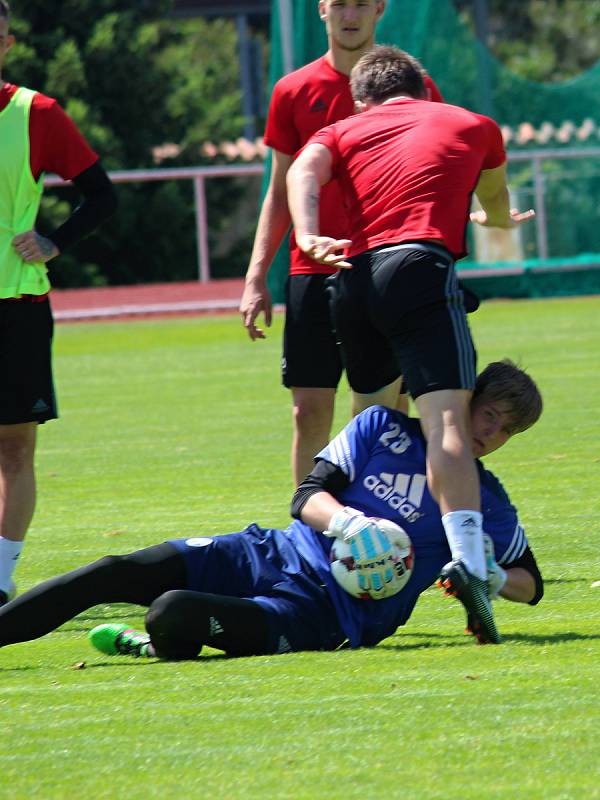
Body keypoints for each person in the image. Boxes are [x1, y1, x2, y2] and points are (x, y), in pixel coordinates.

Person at [0, 361, 543, 657]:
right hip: (269, 552)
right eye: (488, 414)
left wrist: (486, 574)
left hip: (323, 615)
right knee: (112, 573)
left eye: (506, 430)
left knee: (171, 611)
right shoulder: (381, 427)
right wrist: (352, 525)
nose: (490, 434)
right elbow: (307, 495)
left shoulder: (484, 502)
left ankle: (154, 645)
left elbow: (531, 584)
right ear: (463, 400)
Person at [286, 45, 536, 644]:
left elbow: (302, 171)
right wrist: (496, 222)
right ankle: (472, 564)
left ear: (361, 98)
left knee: (374, 425)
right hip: (420, 266)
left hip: (351, 279)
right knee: (446, 421)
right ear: (423, 89)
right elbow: (496, 200)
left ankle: (345, 550)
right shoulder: (474, 124)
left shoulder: (343, 127)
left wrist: (307, 232)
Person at [239, 0, 445, 486]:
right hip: (311, 270)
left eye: (360, 4)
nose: (349, 15)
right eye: (339, 5)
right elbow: (279, 189)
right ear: (322, 10)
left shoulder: (416, 87)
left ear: (379, 9)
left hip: (386, 266)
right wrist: (255, 276)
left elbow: (436, 168)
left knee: (384, 410)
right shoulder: (293, 90)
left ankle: (371, 525)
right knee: (307, 411)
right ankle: (308, 532)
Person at [0, 1, 117, 607]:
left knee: (15, 447)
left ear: (8, 44)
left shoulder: (36, 112)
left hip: (16, 304)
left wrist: (54, 242)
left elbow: (101, 196)